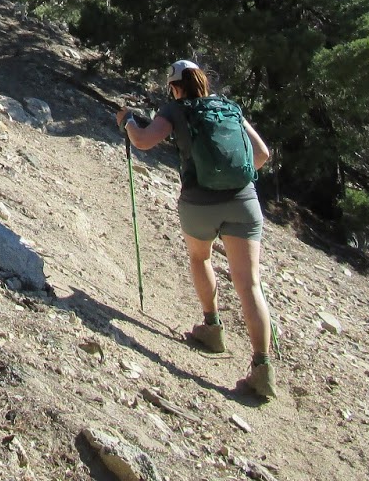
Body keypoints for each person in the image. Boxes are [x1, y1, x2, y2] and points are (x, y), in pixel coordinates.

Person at [116, 59, 276, 400]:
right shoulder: (230, 109)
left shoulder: (174, 110)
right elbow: (261, 154)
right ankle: (262, 367)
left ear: (175, 86)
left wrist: (128, 120)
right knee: (250, 285)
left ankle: (212, 326)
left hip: (198, 202)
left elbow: (143, 141)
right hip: (244, 201)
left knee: (200, 257)